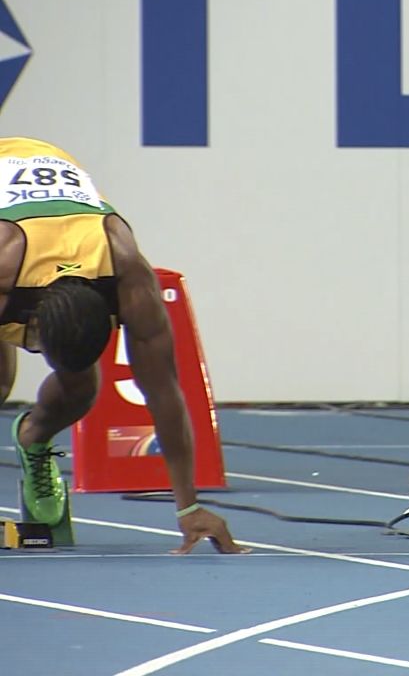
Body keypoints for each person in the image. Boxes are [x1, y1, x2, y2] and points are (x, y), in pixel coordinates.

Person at [1, 136, 244, 555]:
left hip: (56, 221)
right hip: (18, 237)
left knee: (83, 390)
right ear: (32, 323)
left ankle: (33, 440)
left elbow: (164, 392)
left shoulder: (130, 277)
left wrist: (189, 508)